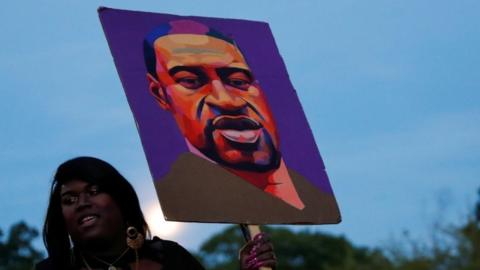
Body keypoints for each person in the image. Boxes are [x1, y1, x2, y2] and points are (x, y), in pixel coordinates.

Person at [142, 20, 341, 224]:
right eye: (191, 81)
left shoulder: (316, 198)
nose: (226, 100)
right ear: (160, 94)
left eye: (238, 82)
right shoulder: (180, 195)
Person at [35, 156, 277, 270]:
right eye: (69, 199)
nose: (82, 203)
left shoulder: (171, 259)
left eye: (95, 191)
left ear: (121, 199)